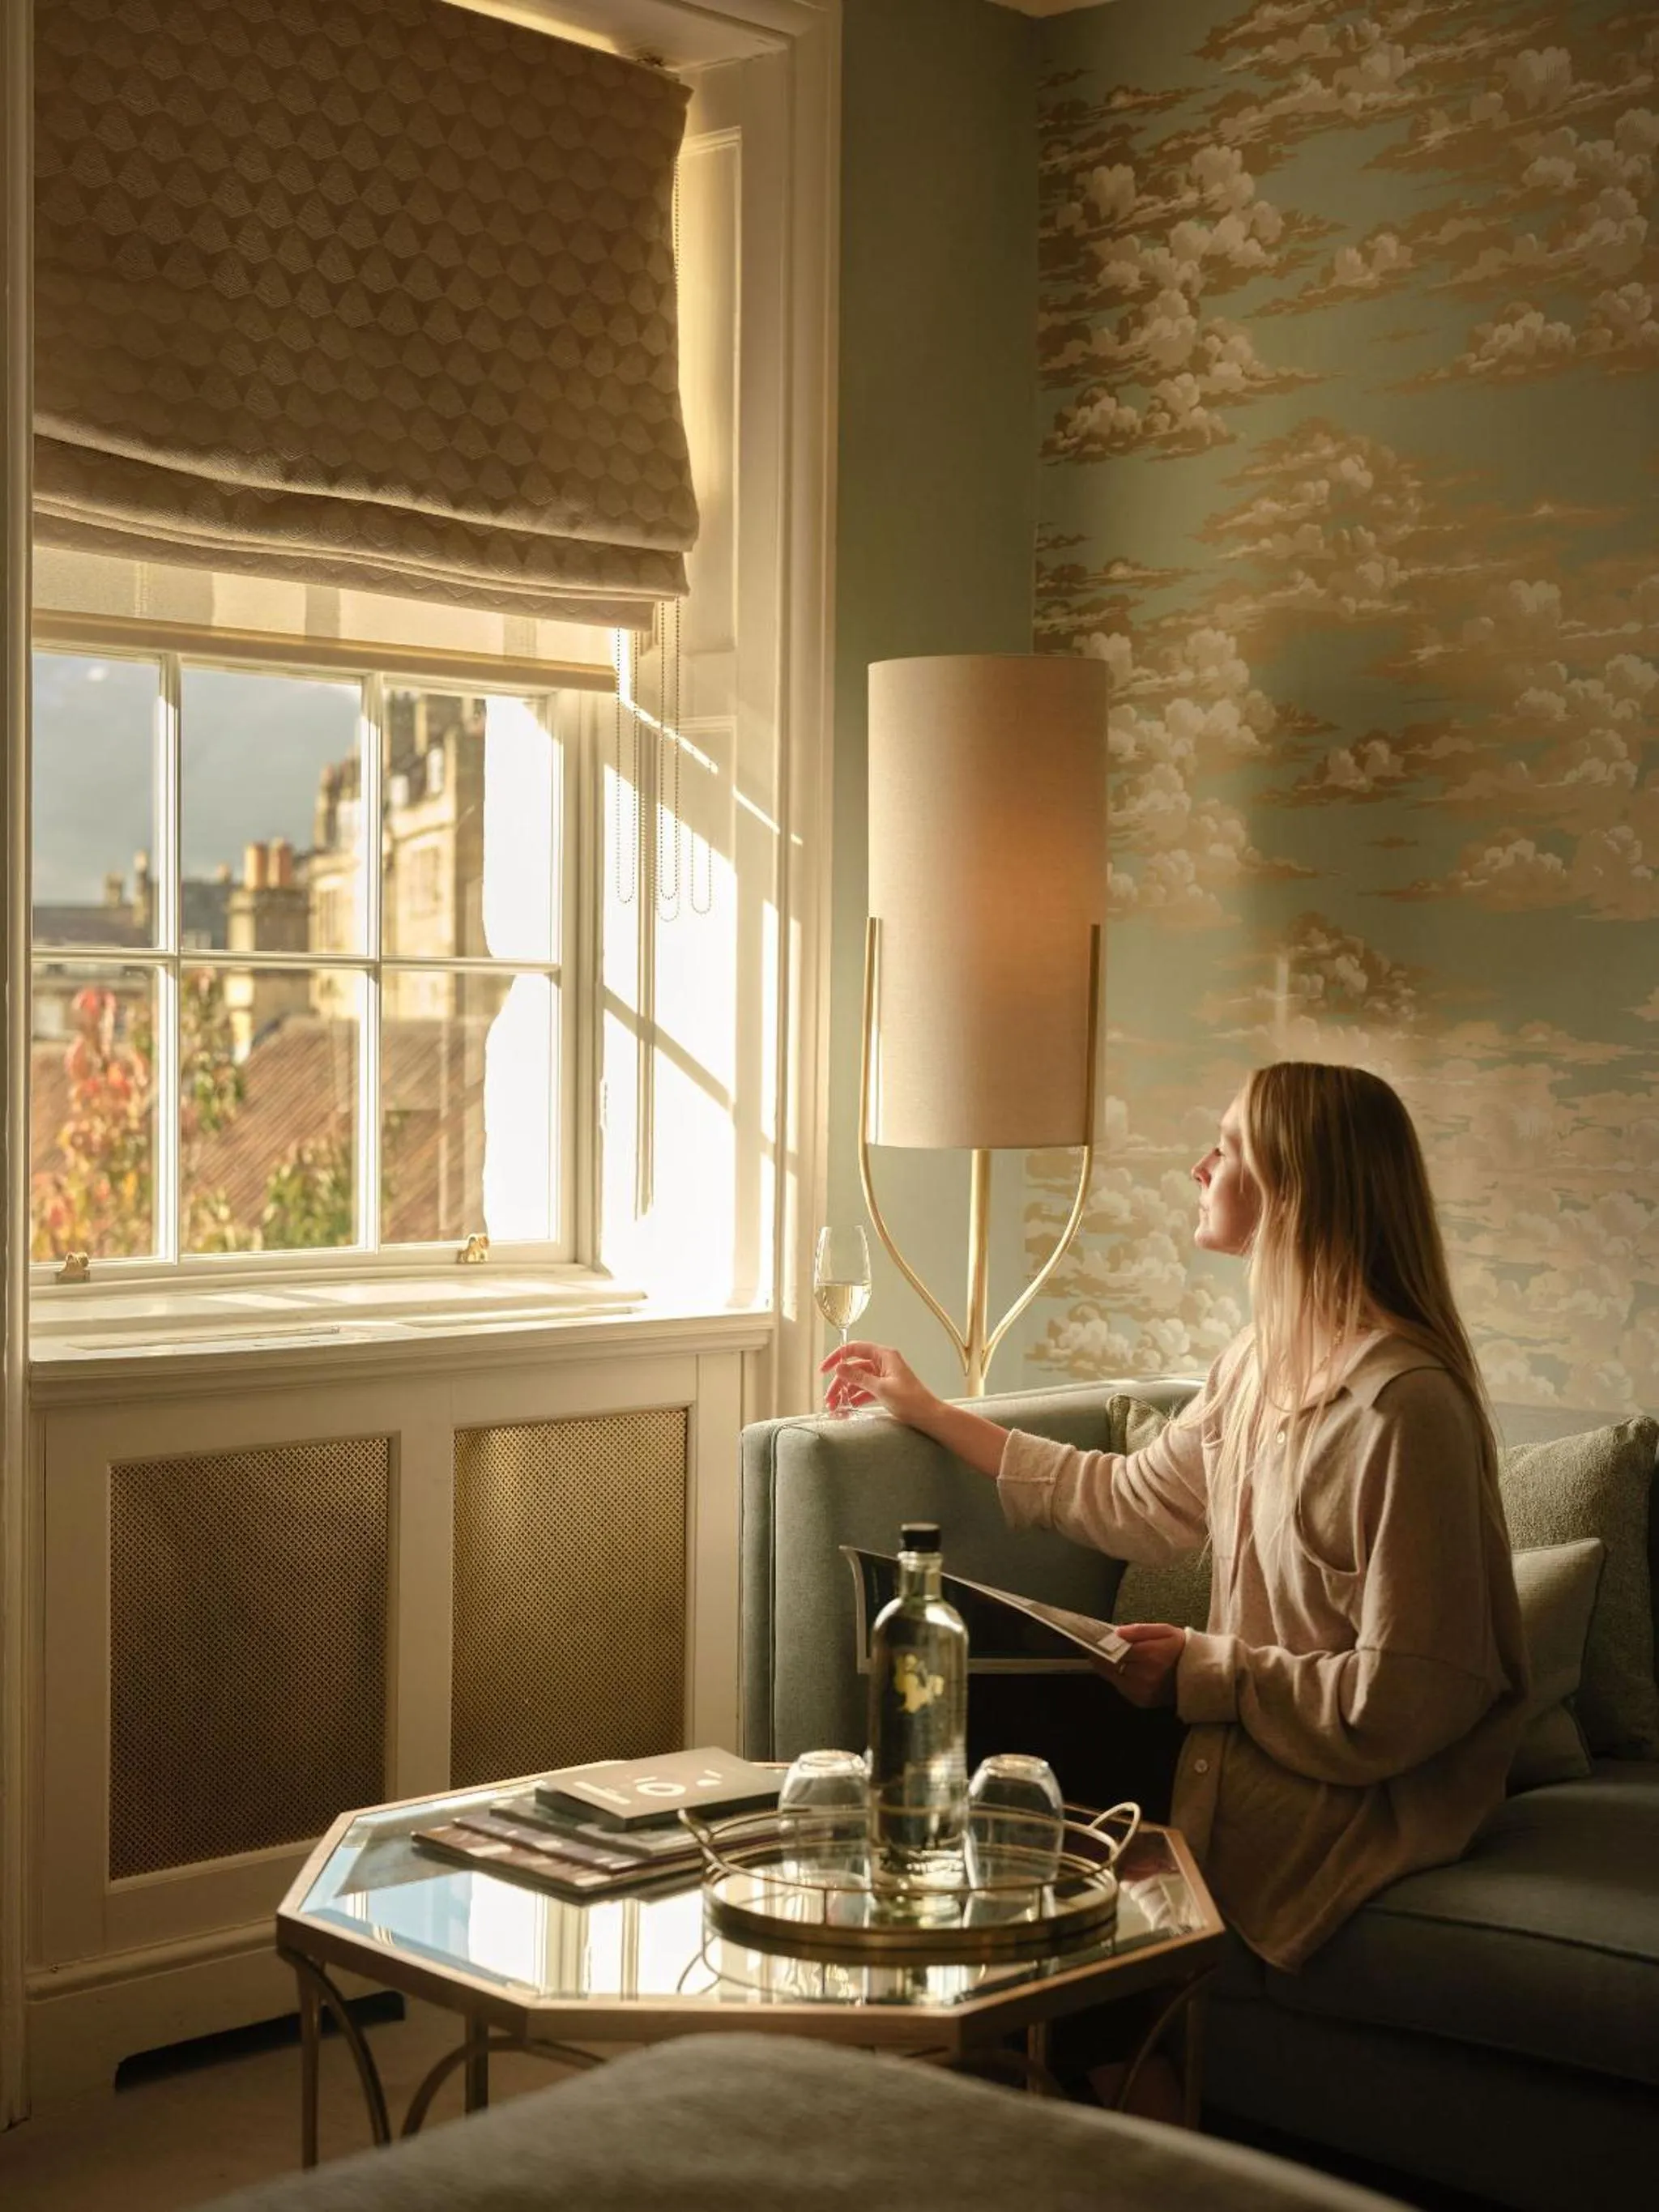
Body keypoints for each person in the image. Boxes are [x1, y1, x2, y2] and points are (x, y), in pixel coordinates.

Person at [821, 1061, 1528, 1975]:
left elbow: (1402, 1704)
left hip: (1354, 1785)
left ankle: (1094, 2078)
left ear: (1291, 1186)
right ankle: (1028, 2060)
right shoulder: (1257, 1365)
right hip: (1258, 1737)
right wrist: (929, 1410)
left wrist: (1205, 1669)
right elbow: (1133, 1498)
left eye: (1226, 1147)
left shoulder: (1401, 1411)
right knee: (969, 1710)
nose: (1200, 1166)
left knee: (1025, 1786)